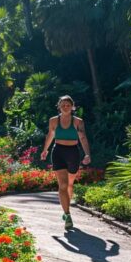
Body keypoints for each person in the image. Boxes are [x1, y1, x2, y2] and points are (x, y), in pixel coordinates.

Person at [40, 95, 91, 230]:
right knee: (62, 185)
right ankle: (67, 214)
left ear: (72, 106)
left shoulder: (78, 122)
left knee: (69, 184)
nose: (65, 107)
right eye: (63, 104)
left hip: (73, 152)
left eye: (68, 104)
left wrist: (87, 154)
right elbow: (50, 135)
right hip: (58, 152)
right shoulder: (53, 121)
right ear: (59, 106)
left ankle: (66, 207)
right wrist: (45, 150)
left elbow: (83, 137)